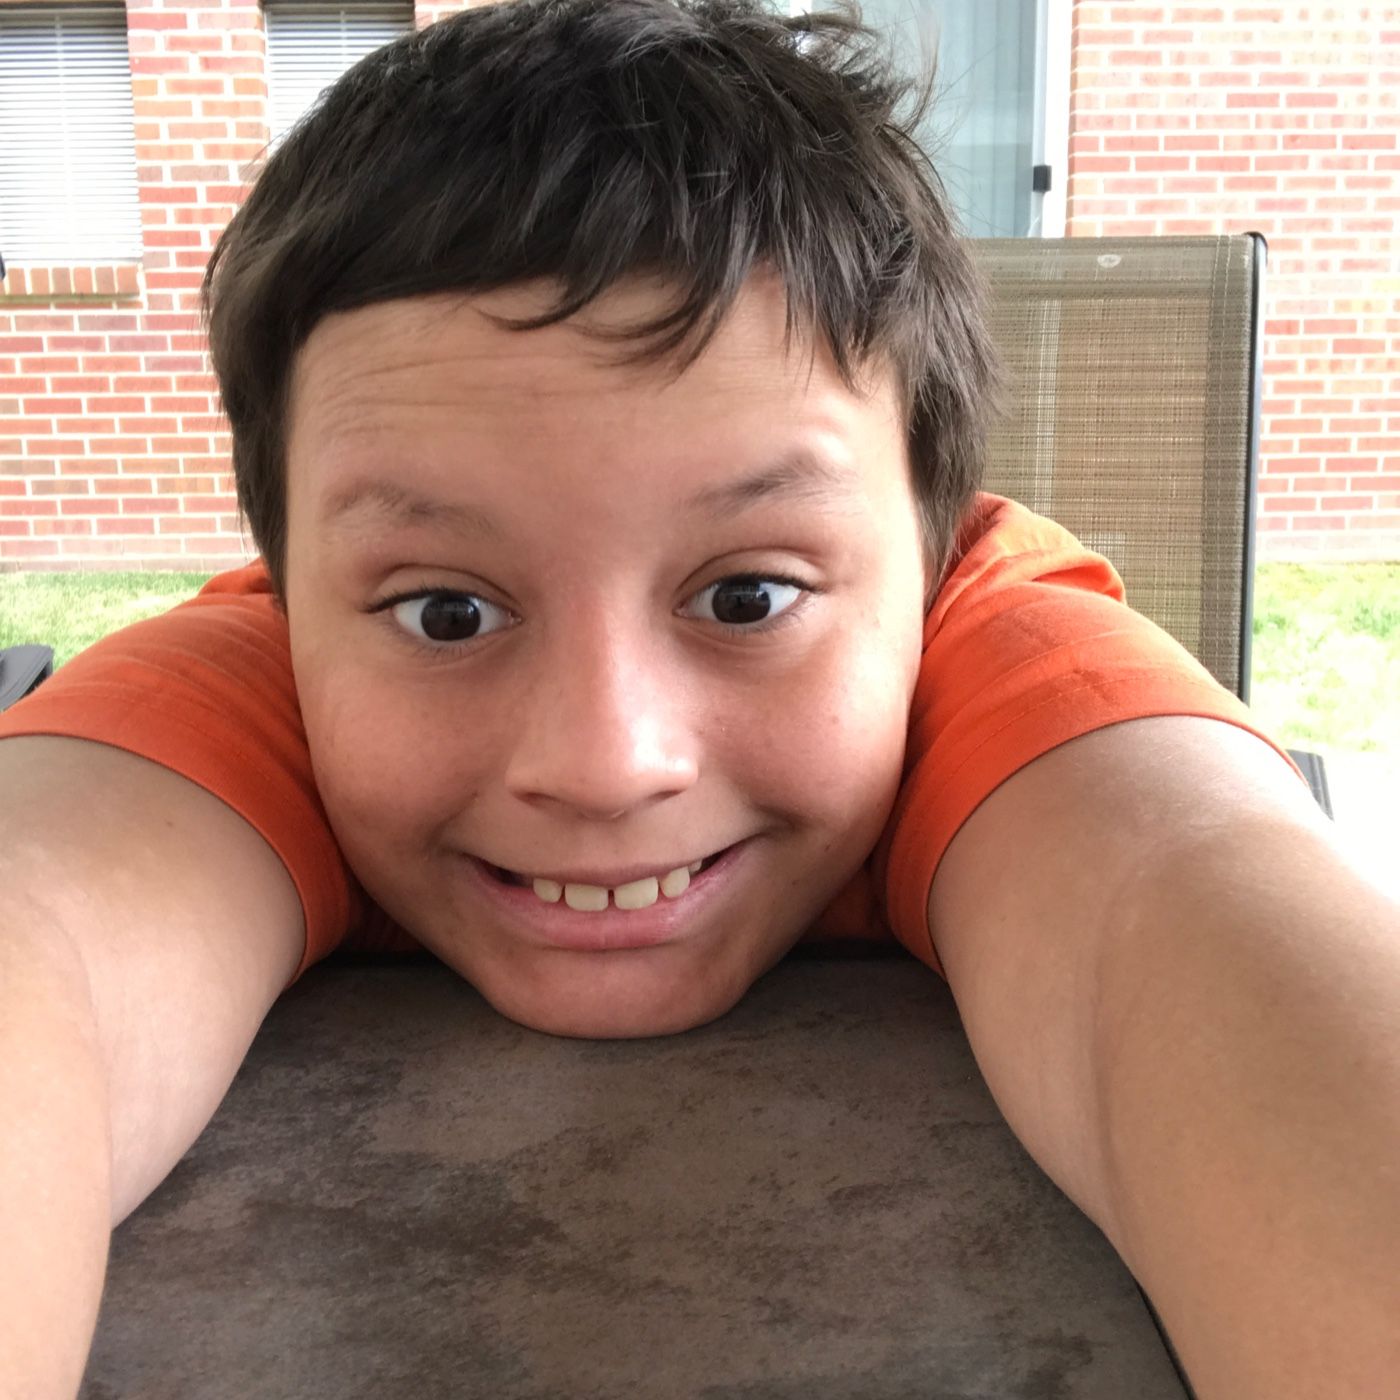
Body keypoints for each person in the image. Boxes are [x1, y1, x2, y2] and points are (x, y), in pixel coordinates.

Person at [1, 0, 1396, 1394]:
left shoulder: (990, 652)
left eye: (746, 598)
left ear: (932, 566)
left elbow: (1189, 897)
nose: (606, 764)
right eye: (448, 612)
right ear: (288, 593)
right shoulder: (266, 678)